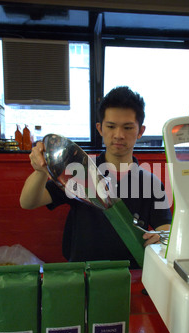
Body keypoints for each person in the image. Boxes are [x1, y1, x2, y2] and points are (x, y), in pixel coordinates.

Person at [20, 86, 172, 268]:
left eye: (128, 127)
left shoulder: (151, 183)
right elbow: (28, 202)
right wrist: (40, 169)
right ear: (100, 128)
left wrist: (162, 238)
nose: (118, 135)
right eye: (111, 126)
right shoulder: (79, 170)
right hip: (81, 273)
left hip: (131, 274)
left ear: (140, 131)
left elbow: (165, 228)